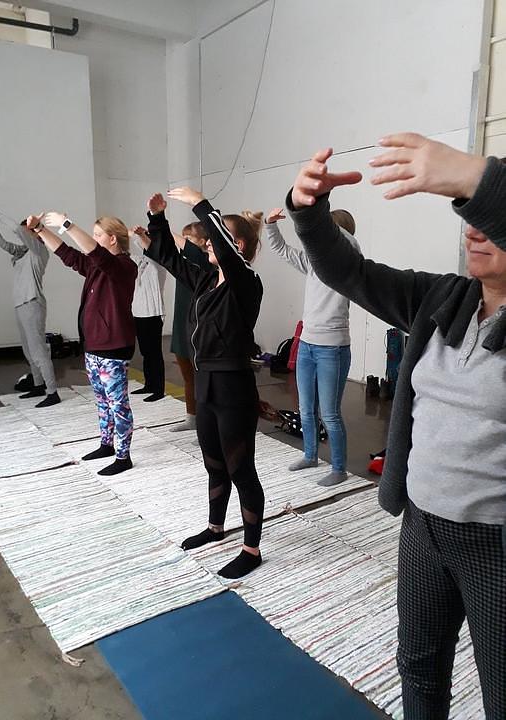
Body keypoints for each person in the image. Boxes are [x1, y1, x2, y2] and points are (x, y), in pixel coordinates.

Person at [288, 133, 505, 720]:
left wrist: (474, 179)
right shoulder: (442, 298)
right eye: (468, 220)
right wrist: (309, 211)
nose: (472, 231)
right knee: (419, 670)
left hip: (496, 545)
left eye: (487, 220)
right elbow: (349, 271)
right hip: (423, 527)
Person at [142, 189, 265, 579]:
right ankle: (215, 528)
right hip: (206, 382)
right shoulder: (206, 280)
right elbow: (168, 257)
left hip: (233, 388)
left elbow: (226, 252)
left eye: (215, 238)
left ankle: (251, 550)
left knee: (241, 470)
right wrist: (157, 219)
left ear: (236, 245)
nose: (208, 243)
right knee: (214, 465)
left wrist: (200, 203)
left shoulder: (246, 283)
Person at [25, 211, 137, 476]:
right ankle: (107, 444)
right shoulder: (97, 265)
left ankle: (123, 457)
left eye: (98, 235)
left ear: (112, 239)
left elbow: (94, 253)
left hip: (113, 346)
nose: (94, 240)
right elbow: (67, 254)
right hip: (94, 344)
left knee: (118, 404)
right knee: (102, 400)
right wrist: (40, 229)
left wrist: (67, 224)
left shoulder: (124, 267)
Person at [265, 205, 360, 486]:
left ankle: (339, 469)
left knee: (329, 413)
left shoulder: (349, 261)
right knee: (306, 409)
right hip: (307, 344)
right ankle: (310, 455)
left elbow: (348, 242)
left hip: (333, 348)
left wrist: (325, 226)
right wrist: (270, 226)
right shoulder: (313, 261)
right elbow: (282, 250)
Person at [0, 207, 60, 407]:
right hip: (20, 304)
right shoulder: (22, 253)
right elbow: (4, 244)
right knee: (28, 351)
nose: (23, 234)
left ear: (34, 233)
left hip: (32, 303)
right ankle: (38, 385)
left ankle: (52, 392)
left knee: (38, 351)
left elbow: (16, 229)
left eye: (27, 231)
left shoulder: (39, 251)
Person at [168, 222, 211, 431]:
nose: (183, 242)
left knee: (202, 379)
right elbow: (162, 254)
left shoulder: (205, 262)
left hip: (197, 328)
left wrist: (168, 231)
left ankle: (206, 424)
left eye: (188, 238)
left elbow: (195, 254)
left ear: (202, 242)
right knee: (187, 377)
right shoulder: (182, 264)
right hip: (181, 325)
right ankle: (191, 417)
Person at [129, 228, 167, 402]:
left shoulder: (158, 263)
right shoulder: (139, 262)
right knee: (145, 352)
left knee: (154, 353)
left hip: (153, 313)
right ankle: (149, 385)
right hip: (138, 313)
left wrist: (138, 236)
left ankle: (158, 389)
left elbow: (150, 251)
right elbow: (126, 256)